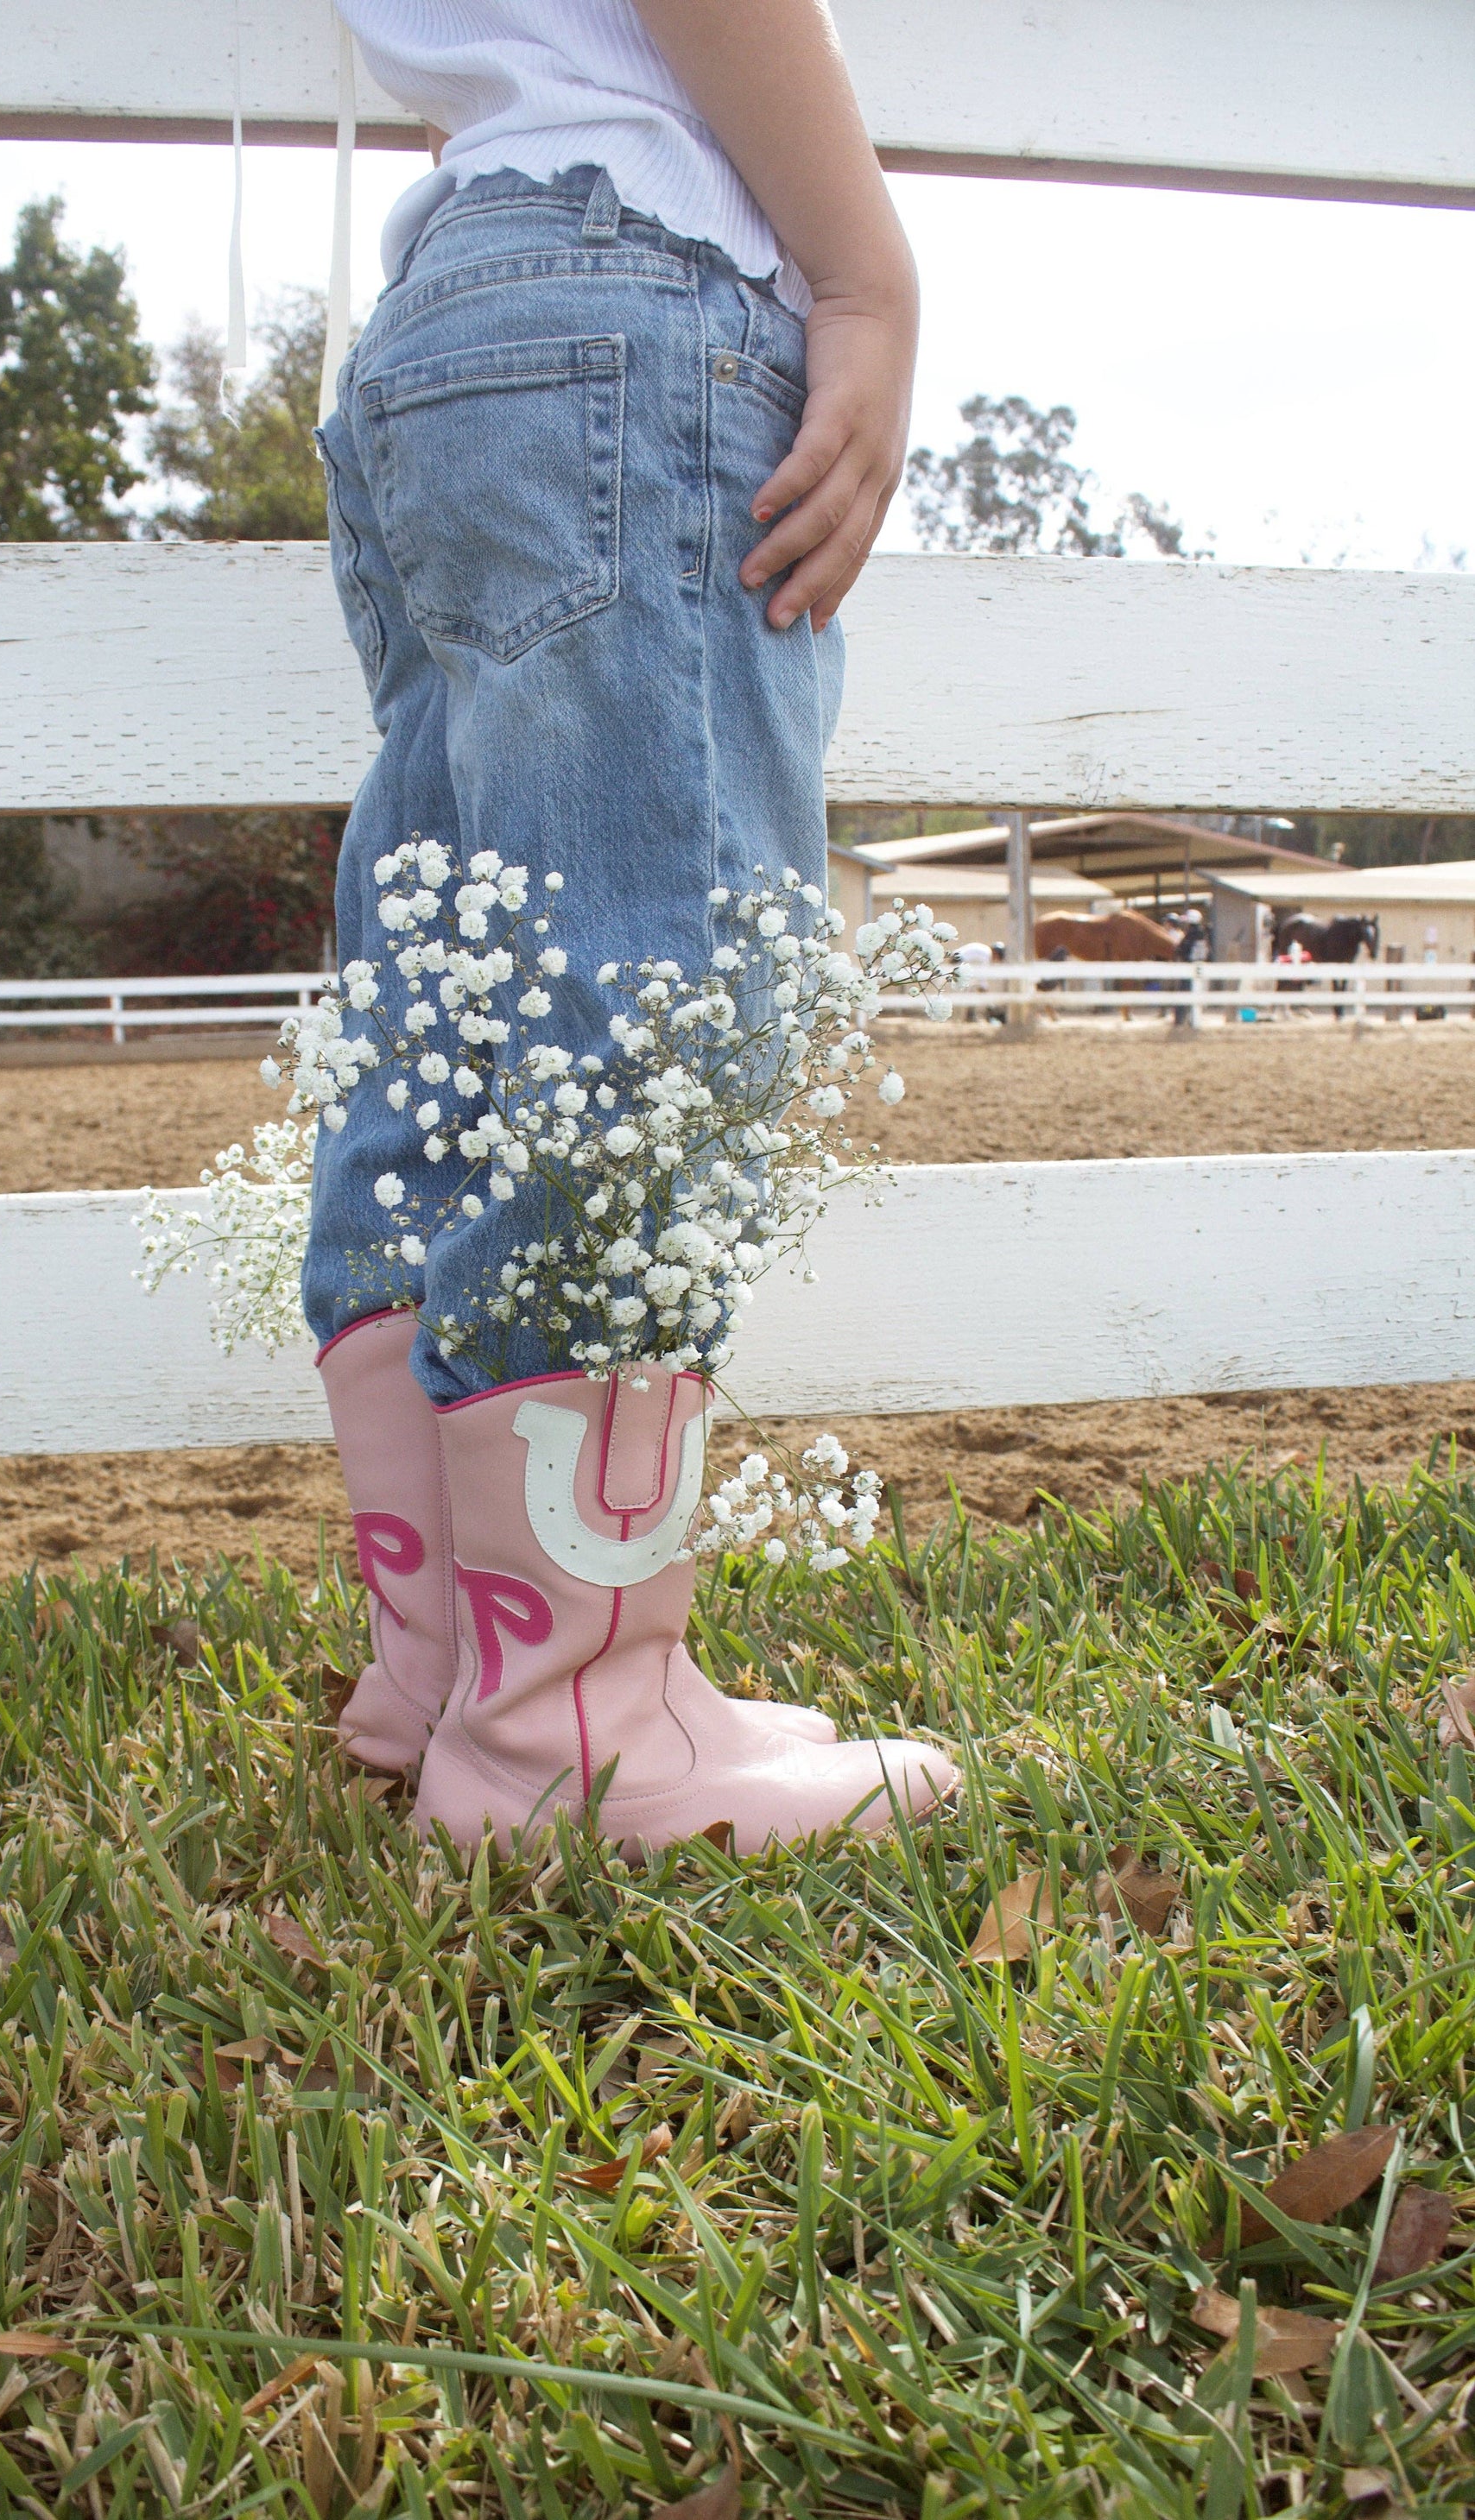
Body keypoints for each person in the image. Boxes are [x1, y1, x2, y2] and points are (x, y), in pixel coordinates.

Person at [307, 0, 957, 1852]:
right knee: (645, 1012)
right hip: (627, 285)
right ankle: (565, 1741)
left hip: (453, 311)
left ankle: (455, 1680)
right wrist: (866, 278)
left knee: (459, 1009)